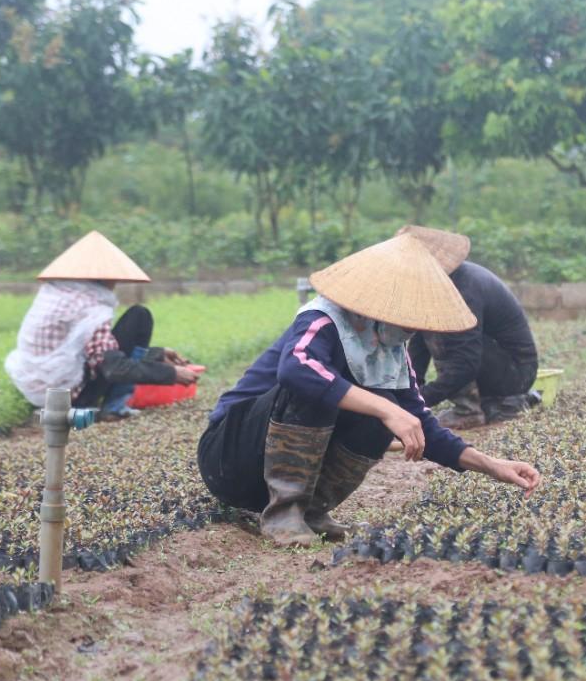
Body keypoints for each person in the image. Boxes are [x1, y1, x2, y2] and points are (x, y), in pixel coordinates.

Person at [197, 234, 542, 547]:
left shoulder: (392, 354)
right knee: (320, 388)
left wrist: (491, 465)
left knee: (384, 409)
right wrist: (386, 409)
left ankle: (311, 510)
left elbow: (420, 421)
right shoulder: (322, 319)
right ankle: (284, 512)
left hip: (268, 477)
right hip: (231, 457)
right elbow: (296, 369)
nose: (412, 331)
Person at [4, 231, 200, 420]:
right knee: (140, 316)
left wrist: (156, 355)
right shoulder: (90, 309)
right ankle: (115, 407)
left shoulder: (56, 296)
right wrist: (172, 374)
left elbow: (91, 352)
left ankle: (114, 404)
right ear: (104, 278)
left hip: (46, 391)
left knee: (136, 318)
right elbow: (114, 368)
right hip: (73, 397)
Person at [398, 225, 540, 429]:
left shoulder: (464, 289)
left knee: (444, 333)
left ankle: (468, 411)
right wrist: (410, 393)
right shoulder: (439, 287)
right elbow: (418, 347)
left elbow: (465, 363)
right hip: (492, 365)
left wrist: (421, 400)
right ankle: (470, 405)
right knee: (435, 328)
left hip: (515, 373)